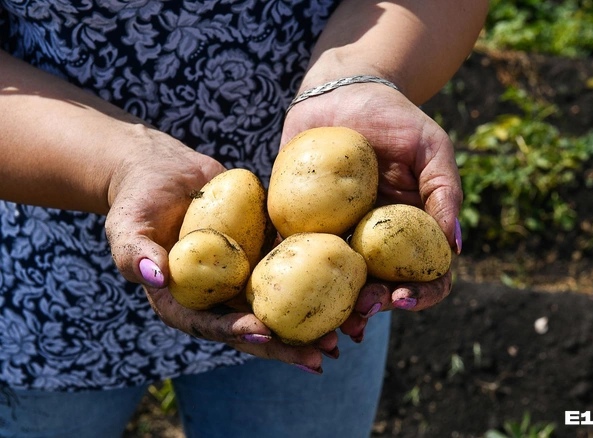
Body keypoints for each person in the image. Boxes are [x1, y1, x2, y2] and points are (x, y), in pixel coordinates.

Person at [0, 1, 487, 436]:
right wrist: (121, 164)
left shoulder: (347, 252)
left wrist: (361, 73)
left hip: (325, 289)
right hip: (54, 277)